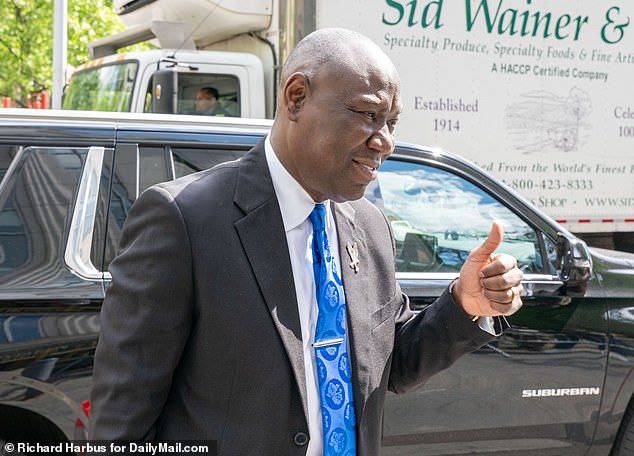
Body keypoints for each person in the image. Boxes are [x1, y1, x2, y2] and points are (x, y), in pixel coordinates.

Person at [89, 28, 523, 455]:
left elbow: (394, 364)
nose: (385, 142)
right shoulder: (185, 220)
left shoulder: (370, 226)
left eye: (391, 123)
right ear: (296, 97)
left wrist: (466, 304)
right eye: (367, 115)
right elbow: (121, 423)